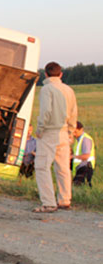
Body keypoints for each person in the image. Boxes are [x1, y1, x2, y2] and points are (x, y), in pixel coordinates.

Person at [33, 62, 77, 213]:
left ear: (45, 74)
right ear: (60, 74)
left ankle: (49, 203)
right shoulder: (69, 90)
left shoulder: (46, 89)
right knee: (63, 168)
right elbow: (73, 113)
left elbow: (46, 111)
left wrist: (40, 129)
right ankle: (65, 200)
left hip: (49, 133)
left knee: (42, 166)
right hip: (64, 132)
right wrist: (70, 131)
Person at [71, 121, 95, 187]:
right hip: (80, 168)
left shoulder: (85, 140)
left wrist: (72, 156)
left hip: (85, 168)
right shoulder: (77, 140)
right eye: (73, 132)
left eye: (75, 132)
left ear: (81, 129)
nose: (74, 134)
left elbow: (86, 156)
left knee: (78, 188)